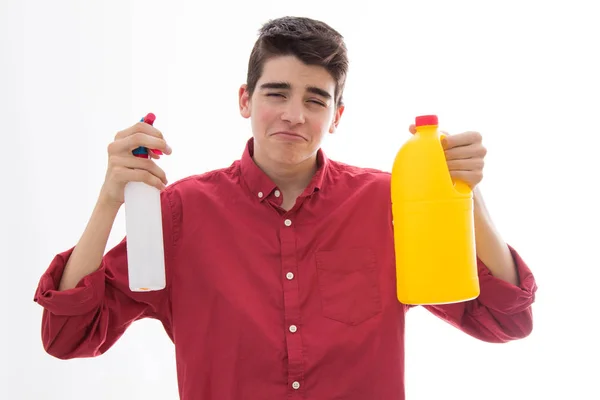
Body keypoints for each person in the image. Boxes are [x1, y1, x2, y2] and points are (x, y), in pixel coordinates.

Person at [33, 16, 537, 400]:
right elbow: (69, 335)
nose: (295, 115)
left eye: (316, 100)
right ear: (244, 100)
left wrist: (466, 196)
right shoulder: (180, 213)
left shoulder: (390, 206)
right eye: (277, 92)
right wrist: (108, 199)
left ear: (336, 116)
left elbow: (503, 319)